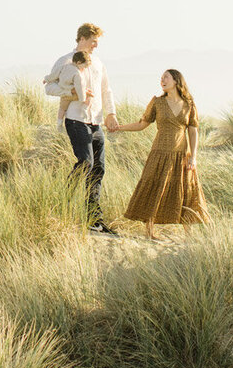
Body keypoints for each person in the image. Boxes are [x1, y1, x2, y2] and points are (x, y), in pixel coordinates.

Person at [110, 68, 209, 240]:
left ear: (176, 81)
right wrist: (120, 128)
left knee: (185, 190)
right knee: (153, 187)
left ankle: (189, 234)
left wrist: (193, 156)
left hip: (181, 155)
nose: (162, 80)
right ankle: (149, 232)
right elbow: (142, 124)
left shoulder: (189, 105)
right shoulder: (157, 102)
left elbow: (193, 132)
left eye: (166, 77)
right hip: (159, 153)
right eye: (161, 78)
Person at [43, 22, 119, 234]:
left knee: (98, 168)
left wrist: (111, 113)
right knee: (85, 162)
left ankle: (94, 220)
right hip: (75, 119)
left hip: (96, 121)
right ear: (83, 38)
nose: (96, 46)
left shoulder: (98, 63)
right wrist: (71, 93)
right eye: (94, 41)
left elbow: (107, 90)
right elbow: (49, 87)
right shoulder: (65, 60)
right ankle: (64, 203)